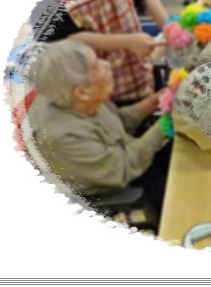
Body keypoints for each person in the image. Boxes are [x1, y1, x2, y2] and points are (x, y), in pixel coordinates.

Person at [26, 40, 171, 213]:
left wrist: (154, 101)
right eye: (96, 66)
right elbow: (123, 168)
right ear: (82, 92)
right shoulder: (62, 136)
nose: (106, 64)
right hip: (113, 188)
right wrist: (169, 121)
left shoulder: (74, 97)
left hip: (126, 155)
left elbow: (117, 121)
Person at [30, 0, 171, 106]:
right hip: (89, 87)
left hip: (136, 68)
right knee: (104, 116)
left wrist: (171, 29)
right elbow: (60, 37)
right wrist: (127, 42)